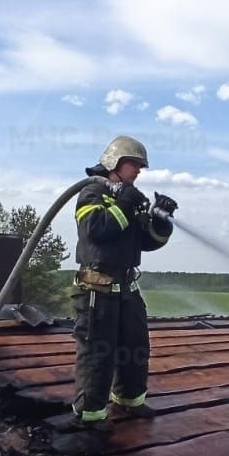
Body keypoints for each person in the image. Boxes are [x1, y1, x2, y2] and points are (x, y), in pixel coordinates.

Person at [68, 135, 178, 433]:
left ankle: (129, 400)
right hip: (97, 292)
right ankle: (90, 415)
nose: (139, 172)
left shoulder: (127, 199)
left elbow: (148, 242)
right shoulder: (91, 194)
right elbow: (96, 230)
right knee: (98, 353)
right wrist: (123, 205)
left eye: (141, 167)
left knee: (136, 347)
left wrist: (161, 222)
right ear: (114, 163)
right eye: (134, 165)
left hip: (127, 290)